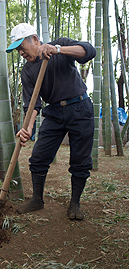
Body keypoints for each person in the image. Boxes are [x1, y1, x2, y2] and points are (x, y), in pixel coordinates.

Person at [6, 23, 96, 220]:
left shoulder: (60, 47)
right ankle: (37, 199)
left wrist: (57, 50)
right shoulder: (27, 72)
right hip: (54, 112)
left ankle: (75, 204)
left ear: (36, 40)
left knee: (80, 161)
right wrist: (27, 129)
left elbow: (89, 51)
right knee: (38, 158)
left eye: (22, 47)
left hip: (79, 107)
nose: (21, 52)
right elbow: (32, 105)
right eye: (17, 50)